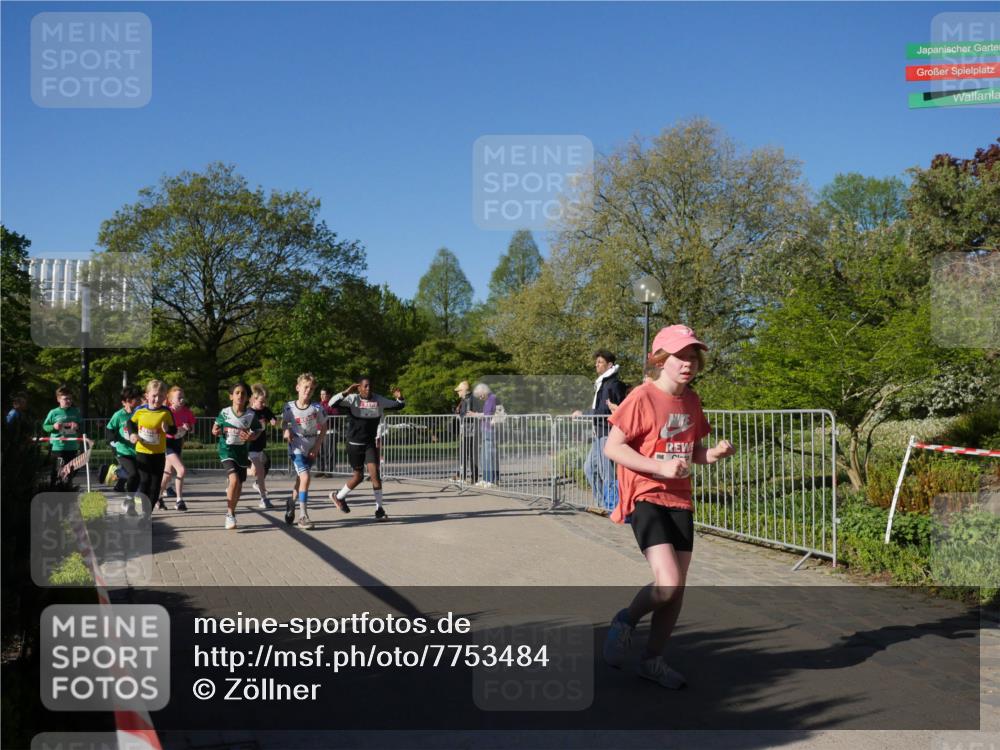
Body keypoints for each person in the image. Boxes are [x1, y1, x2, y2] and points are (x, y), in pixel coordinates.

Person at [602, 325, 735, 689]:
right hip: (645, 493)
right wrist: (659, 467)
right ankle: (625, 621)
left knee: (677, 588)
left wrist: (714, 454)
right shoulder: (641, 397)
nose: (688, 363)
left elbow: (691, 453)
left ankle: (652, 661)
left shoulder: (691, 401)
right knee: (668, 582)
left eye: (693, 357)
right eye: (680, 356)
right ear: (660, 360)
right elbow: (613, 447)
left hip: (680, 498)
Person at [329, 378, 404, 521]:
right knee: (358, 477)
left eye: (371, 386)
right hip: (354, 444)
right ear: (359, 388)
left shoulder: (378, 399)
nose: (368, 388)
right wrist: (345, 392)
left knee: (375, 473)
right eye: (365, 386)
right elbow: (332, 403)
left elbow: (399, 406)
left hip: (369, 443)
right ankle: (338, 496)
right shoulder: (352, 399)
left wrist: (399, 397)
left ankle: (379, 510)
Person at [572, 349, 627, 505]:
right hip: (599, 432)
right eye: (596, 362)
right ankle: (602, 503)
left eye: (600, 362)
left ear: (609, 365)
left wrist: (583, 414)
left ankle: (612, 505)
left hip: (608, 432)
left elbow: (606, 410)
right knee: (590, 469)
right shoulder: (603, 383)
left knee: (606, 473)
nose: (596, 365)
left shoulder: (613, 384)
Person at [125, 380, 177, 522]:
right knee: (145, 481)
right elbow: (130, 422)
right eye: (154, 396)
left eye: (161, 396)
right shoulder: (140, 410)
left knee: (155, 487)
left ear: (165, 397)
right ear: (147, 395)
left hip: (159, 454)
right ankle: (140, 509)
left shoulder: (166, 412)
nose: (157, 399)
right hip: (142, 451)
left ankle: (146, 515)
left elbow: (174, 429)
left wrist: (168, 429)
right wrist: (132, 434)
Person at [212, 381, 262, 530]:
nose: (240, 395)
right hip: (226, 451)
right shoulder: (225, 412)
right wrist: (215, 431)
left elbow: (258, 430)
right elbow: (215, 428)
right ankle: (228, 513)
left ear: (247, 398)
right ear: (231, 396)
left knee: (239, 485)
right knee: (233, 480)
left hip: (241, 453)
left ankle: (232, 512)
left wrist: (252, 437)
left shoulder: (250, 415)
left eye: (243, 393)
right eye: (237, 393)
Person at [281, 373, 327, 530]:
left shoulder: (317, 408)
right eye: (305, 387)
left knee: (301, 480)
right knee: (306, 477)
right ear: (298, 387)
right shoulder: (289, 407)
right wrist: (286, 432)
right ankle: (303, 516)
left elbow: (324, 428)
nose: (308, 390)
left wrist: (316, 447)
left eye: (311, 388)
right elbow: (284, 423)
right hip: (296, 448)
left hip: (311, 447)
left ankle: (291, 502)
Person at [106, 386, 143, 515]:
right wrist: (112, 439)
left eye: (139, 398)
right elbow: (109, 429)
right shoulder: (119, 415)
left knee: (140, 478)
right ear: (125, 401)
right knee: (134, 474)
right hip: (124, 451)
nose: (137, 401)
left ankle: (118, 473)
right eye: (134, 399)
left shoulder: (141, 413)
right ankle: (129, 501)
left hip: (140, 451)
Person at [159, 386, 196, 511]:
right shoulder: (167, 411)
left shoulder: (187, 412)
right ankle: (179, 500)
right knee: (181, 470)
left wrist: (188, 428)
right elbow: (161, 428)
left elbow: (193, 429)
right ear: (171, 400)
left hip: (178, 444)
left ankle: (157, 497)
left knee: (168, 473)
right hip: (168, 443)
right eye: (178, 398)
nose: (181, 400)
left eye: (182, 397)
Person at [42, 385, 83, 490]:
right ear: (58, 400)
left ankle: (67, 489)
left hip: (72, 446)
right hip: (58, 447)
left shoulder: (75, 411)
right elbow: (45, 426)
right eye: (65, 399)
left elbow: (80, 425)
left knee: (71, 471)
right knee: (57, 471)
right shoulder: (53, 412)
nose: (68, 401)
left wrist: (77, 426)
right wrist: (53, 426)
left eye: (70, 398)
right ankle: (53, 489)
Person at [247, 383, 278, 509]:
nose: (264, 404)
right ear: (254, 400)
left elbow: (273, 418)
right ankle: (264, 499)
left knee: (263, 465)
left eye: (265, 401)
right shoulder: (249, 413)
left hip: (260, 446)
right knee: (259, 470)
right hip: (250, 446)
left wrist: (273, 421)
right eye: (261, 402)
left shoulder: (265, 410)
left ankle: (236, 472)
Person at [470, 383, 499, 487]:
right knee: (484, 456)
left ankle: (491, 480)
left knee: (489, 457)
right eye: (479, 396)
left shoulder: (493, 398)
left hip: (490, 430)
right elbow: (486, 414)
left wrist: (492, 422)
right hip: (485, 429)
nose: (480, 398)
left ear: (485, 391)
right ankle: (486, 478)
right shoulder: (487, 400)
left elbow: (497, 413)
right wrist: (476, 414)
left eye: (481, 395)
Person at [452, 381, 478, 484]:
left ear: (463, 391)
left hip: (470, 431)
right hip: (467, 431)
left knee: (469, 455)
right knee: (465, 454)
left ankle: (470, 477)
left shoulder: (468, 399)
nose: (457, 393)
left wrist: (460, 416)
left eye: (458, 391)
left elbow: (468, 415)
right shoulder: (465, 399)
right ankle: (463, 476)